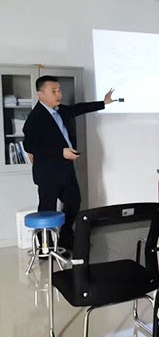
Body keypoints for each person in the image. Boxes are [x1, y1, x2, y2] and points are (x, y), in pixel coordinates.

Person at [22, 76, 116, 249]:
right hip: (48, 174)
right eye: (54, 91)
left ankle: (66, 237)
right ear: (41, 94)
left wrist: (104, 103)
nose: (59, 94)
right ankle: (45, 246)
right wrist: (60, 152)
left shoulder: (60, 110)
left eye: (59, 90)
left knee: (74, 202)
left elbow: (78, 108)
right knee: (47, 210)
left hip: (66, 170)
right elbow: (29, 145)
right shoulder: (35, 118)